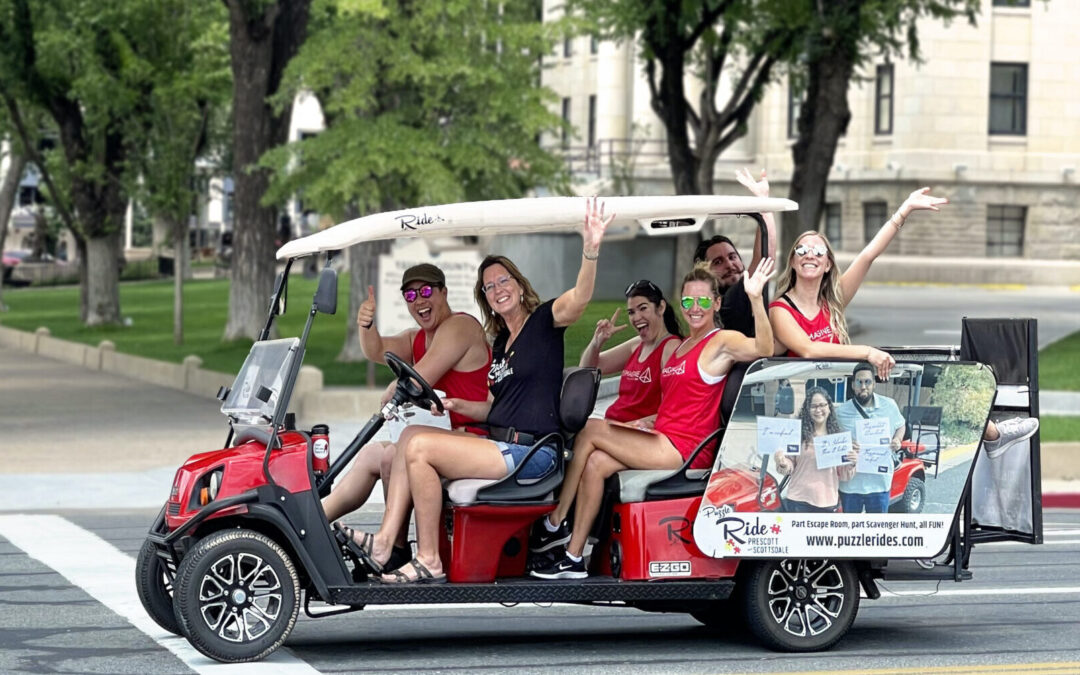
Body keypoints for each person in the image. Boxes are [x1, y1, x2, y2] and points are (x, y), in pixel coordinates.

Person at [346, 197, 614, 584]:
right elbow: (492, 408)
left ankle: (428, 558)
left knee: (420, 448)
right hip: (504, 444)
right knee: (409, 437)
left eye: (504, 280)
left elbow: (580, 299)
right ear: (485, 298)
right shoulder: (502, 342)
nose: (497, 289)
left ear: (519, 286)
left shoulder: (543, 322)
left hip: (533, 453)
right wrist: (455, 404)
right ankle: (387, 542)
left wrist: (590, 249)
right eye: (489, 287)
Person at [530, 257, 776, 580]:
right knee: (596, 462)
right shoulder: (682, 345)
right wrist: (646, 419)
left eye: (703, 301)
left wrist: (755, 297)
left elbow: (764, 347)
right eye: (688, 301)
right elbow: (673, 400)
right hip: (663, 437)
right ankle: (574, 557)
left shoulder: (720, 341)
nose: (695, 308)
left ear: (716, 303)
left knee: (589, 429)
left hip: (684, 448)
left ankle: (553, 523)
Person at [768, 187, 1038, 454]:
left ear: (828, 265)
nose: (810, 255)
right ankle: (993, 435)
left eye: (818, 251)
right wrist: (868, 352)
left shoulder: (831, 302)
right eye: (802, 249)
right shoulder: (781, 309)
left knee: (935, 378)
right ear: (792, 261)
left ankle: (992, 434)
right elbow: (808, 349)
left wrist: (904, 210)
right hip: (809, 411)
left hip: (844, 399)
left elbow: (868, 255)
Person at [325, 264, 491, 569]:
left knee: (408, 440)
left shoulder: (460, 326)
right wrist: (366, 325)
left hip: (474, 436)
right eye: (411, 294)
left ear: (444, 292)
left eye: (427, 291)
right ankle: (315, 522)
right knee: (375, 455)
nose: (419, 300)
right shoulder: (417, 338)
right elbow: (378, 350)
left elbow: (420, 378)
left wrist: (395, 385)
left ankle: (388, 542)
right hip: (443, 436)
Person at [579, 279, 683, 426]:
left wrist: (627, 427)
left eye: (643, 308)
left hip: (632, 433)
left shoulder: (670, 348)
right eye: (631, 312)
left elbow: (671, 410)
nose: (637, 317)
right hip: (611, 427)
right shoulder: (637, 344)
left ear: (661, 308)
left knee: (586, 432)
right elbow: (586, 369)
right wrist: (597, 343)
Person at [692, 168, 777, 336]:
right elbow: (763, 260)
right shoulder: (726, 302)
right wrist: (763, 202)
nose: (730, 264)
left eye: (732, 257)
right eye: (718, 262)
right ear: (704, 273)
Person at [835, 362, 906, 513]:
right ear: (853, 385)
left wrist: (897, 440)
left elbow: (901, 425)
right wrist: (846, 444)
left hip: (879, 482)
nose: (863, 386)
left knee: (877, 531)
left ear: (874, 384)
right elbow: (833, 437)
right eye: (859, 382)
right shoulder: (841, 411)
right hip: (851, 484)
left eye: (867, 382)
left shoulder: (889, 405)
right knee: (851, 531)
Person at [774, 387, 856, 513]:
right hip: (798, 499)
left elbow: (844, 475)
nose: (818, 410)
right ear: (807, 409)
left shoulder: (838, 437)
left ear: (829, 407)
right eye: (813, 406)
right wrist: (783, 463)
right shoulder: (797, 434)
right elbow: (790, 465)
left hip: (827, 502)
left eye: (822, 405)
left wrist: (852, 463)